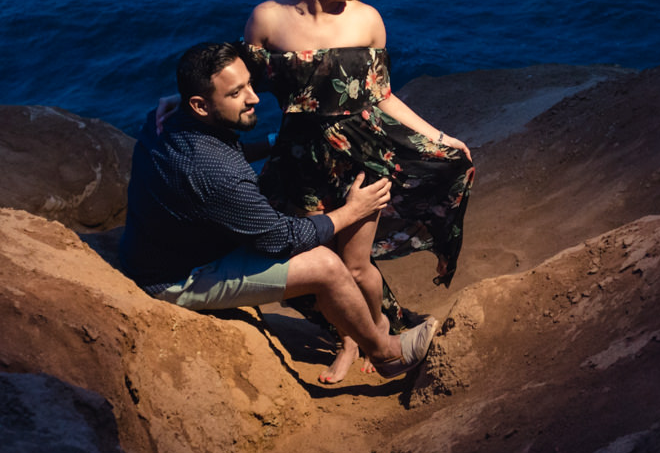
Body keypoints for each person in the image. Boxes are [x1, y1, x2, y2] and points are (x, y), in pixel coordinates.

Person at [242, 0, 475, 383]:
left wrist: (441, 138)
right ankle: (362, 329)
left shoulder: (368, 21)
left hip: (362, 158)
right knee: (305, 257)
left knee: (354, 262)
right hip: (299, 161)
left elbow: (382, 96)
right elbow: (239, 84)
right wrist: (183, 101)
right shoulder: (268, 18)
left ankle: (360, 339)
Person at [119, 40, 437, 380]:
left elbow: (224, 154)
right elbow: (281, 240)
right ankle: (385, 353)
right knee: (326, 266)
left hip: (159, 247)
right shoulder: (214, 171)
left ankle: (352, 338)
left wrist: (276, 142)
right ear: (199, 105)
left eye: (249, 85)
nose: (254, 98)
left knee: (308, 217)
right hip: (176, 278)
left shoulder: (164, 120)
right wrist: (353, 210)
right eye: (236, 93)